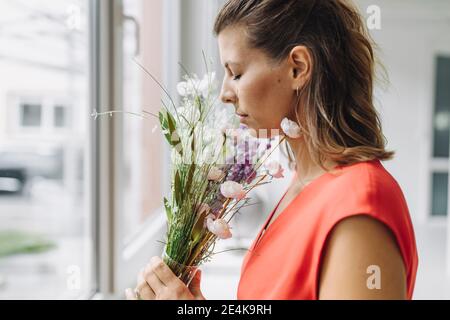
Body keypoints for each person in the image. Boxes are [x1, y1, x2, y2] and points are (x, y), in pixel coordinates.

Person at [126, 0, 418, 300]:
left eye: (236, 73)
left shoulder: (359, 204)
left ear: (298, 68)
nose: (225, 94)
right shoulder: (303, 184)